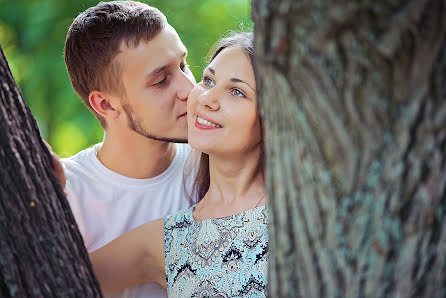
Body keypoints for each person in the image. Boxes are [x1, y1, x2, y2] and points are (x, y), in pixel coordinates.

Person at [90, 32, 269, 297]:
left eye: (237, 91)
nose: (206, 98)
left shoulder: (308, 219)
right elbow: (46, 283)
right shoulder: (169, 238)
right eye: (208, 80)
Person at [60, 1, 196, 297]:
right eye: (161, 81)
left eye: (184, 65)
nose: (190, 89)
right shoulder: (67, 196)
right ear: (106, 104)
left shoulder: (217, 168)